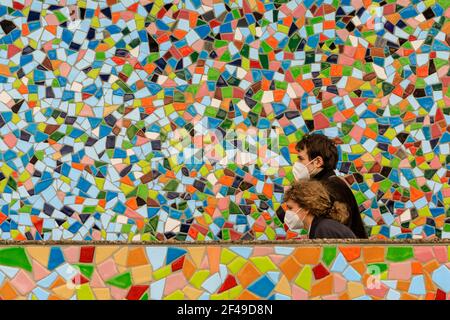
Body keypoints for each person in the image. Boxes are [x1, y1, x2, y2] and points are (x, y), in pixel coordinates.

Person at [284, 133, 368, 238]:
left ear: (318, 161)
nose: (297, 164)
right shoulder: (330, 184)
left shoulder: (331, 188)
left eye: (301, 159)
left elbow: (330, 234)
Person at [284, 180, 356, 239]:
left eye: (290, 208)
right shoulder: (321, 227)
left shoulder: (323, 229)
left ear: (306, 208)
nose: (287, 212)